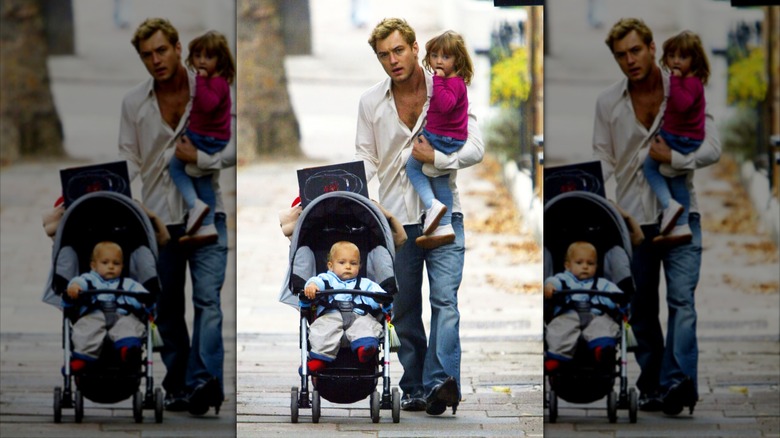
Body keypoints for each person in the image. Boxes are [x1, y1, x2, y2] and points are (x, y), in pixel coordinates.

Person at [355, 17, 484, 416]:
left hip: (446, 215)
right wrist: (338, 194)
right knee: (405, 307)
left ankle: (441, 383)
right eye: (383, 55)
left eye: (398, 50)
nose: (392, 60)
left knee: (446, 301)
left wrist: (440, 158)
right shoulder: (370, 102)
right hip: (396, 222)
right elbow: (365, 160)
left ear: (414, 48)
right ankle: (413, 387)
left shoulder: (446, 85)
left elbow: (476, 146)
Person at [594, 18, 721, 415]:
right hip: (635, 222)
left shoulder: (681, 87)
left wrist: (677, 158)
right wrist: (608, 208)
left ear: (651, 48)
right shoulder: (608, 103)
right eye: (620, 55)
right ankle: (653, 384)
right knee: (642, 306)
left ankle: (678, 383)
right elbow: (601, 163)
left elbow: (712, 145)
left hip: (683, 216)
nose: (629, 60)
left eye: (635, 50)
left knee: (683, 302)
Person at [120, 17, 234, 416]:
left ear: (177, 47)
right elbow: (128, 161)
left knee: (208, 302)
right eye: (147, 54)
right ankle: (181, 382)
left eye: (162, 50)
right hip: (157, 219)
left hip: (207, 214)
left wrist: (200, 158)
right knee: (165, 307)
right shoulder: (134, 103)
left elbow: (232, 148)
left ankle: (205, 382)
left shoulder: (210, 85)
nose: (156, 60)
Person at [405, 30, 474, 249]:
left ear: (458, 59)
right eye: (435, 56)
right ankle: (445, 226)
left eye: (445, 57)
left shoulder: (451, 82)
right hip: (450, 138)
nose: (438, 61)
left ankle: (432, 204)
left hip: (441, 138)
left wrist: (438, 81)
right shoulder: (455, 81)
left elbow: (445, 105)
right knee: (440, 178)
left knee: (413, 167)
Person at [643, 30, 710, 246]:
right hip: (686, 138)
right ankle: (681, 225)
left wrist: (674, 80)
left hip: (679, 138)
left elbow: (682, 104)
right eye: (672, 56)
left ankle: (668, 204)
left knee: (650, 167)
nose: (675, 62)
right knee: (678, 178)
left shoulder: (688, 83)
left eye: (682, 57)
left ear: (694, 59)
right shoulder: (691, 81)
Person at [169, 30, 235, 246]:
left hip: (205, 138)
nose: (201, 61)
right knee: (203, 178)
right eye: (198, 56)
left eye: (208, 57)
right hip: (210, 137)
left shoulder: (215, 82)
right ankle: (206, 225)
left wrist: (200, 80)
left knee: (176, 167)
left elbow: (208, 104)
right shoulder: (214, 81)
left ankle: (194, 204)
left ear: (220, 59)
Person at [301, 241, 390, 372]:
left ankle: (365, 348)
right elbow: (317, 282)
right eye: (342, 263)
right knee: (323, 330)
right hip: (331, 315)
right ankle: (319, 359)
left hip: (358, 315)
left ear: (359, 266)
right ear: (330, 266)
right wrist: (312, 287)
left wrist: (381, 300)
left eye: (353, 263)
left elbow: (377, 294)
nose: (348, 267)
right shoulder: (326, 279)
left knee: (366, 324)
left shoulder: (365, 284)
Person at [64, 241, 149, 374]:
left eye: (116, 263)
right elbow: (80, 282)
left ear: (122, 266)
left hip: (121, 315)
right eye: (105, 263)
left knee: (130, 325)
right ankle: (83, 358)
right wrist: (75, 287)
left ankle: (128, 350)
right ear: (93, 266)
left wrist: (145, 300)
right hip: (94, 315)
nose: (111, 267)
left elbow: (140, 295)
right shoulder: (89, 279)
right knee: (86, 329)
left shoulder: (128, 283)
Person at [544, 242, 622, 373]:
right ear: (567, 266)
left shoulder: (602, 283)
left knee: (604, 325)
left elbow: (614, 294)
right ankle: (557, 356)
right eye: (579, 263)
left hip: (595, 314)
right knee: (560, 329)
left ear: (596, 266)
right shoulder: (563, 279)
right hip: (568, 314)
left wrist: (618, 300)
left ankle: (602, 350)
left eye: (590, 263)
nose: (585, 267)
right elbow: (554, 281)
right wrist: (550, 286)